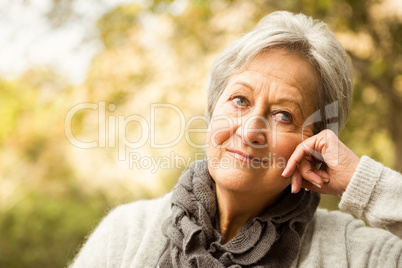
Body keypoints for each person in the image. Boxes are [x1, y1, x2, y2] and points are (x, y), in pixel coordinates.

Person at [70, 11, 402, 267]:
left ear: (315, 142)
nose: (250, 130)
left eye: (283, 115)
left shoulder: (352, 252)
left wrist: (364, 183)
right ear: (213, 109)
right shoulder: (127, 233)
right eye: (240, 101)